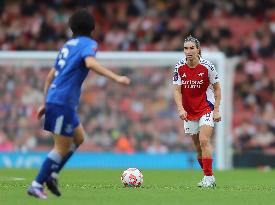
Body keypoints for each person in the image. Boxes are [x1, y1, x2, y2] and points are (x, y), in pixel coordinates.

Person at [27, 9, 130, 199]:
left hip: (58, 100)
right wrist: (116, 78)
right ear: (92, 27)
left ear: (71, 27)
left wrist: (45, 102)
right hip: (62, 101)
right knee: (61, 147)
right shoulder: (88, 44)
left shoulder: (67, 45)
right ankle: (36, 184)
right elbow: (90, 63)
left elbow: (50, 77)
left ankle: (53, 174)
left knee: (79, 138)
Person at [172, 35, 221, 188]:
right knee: (198, 147)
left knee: (204, 141)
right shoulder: (179, 67)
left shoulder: (208, 67)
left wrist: (217, 110)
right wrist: (180, 108)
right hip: (189, 111)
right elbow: (176, 90)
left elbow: (217, 88)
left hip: (206, 107)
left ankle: (208, 177)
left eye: (192, 48)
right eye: (186, 48)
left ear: (198, 49)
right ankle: (207, 176)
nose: (188, 51)